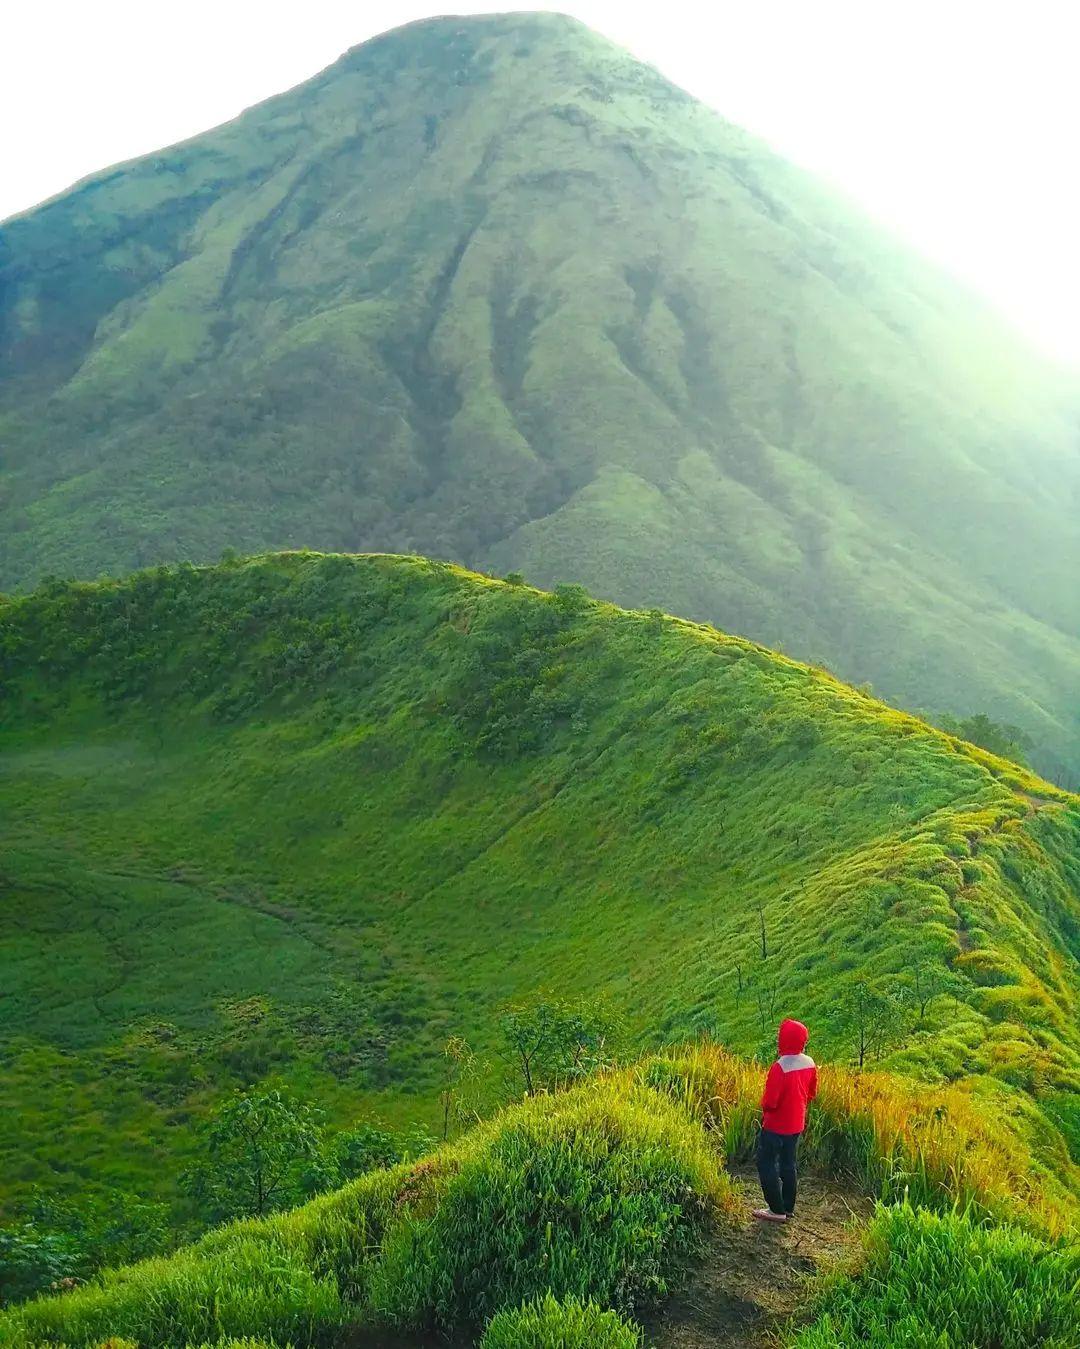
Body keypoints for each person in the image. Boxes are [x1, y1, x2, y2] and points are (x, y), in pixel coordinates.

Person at [753, 1017, 817, 1223]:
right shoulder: (810, 1063)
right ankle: (788, 1207)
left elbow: (770, 1102)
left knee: (766, 1163)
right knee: (789, 1164)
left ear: (784, 1039)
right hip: (796, 1124)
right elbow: (812, 1093)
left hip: (775, 1125)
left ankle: (776, 1209)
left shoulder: (779, 1067)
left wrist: (764, 1108)